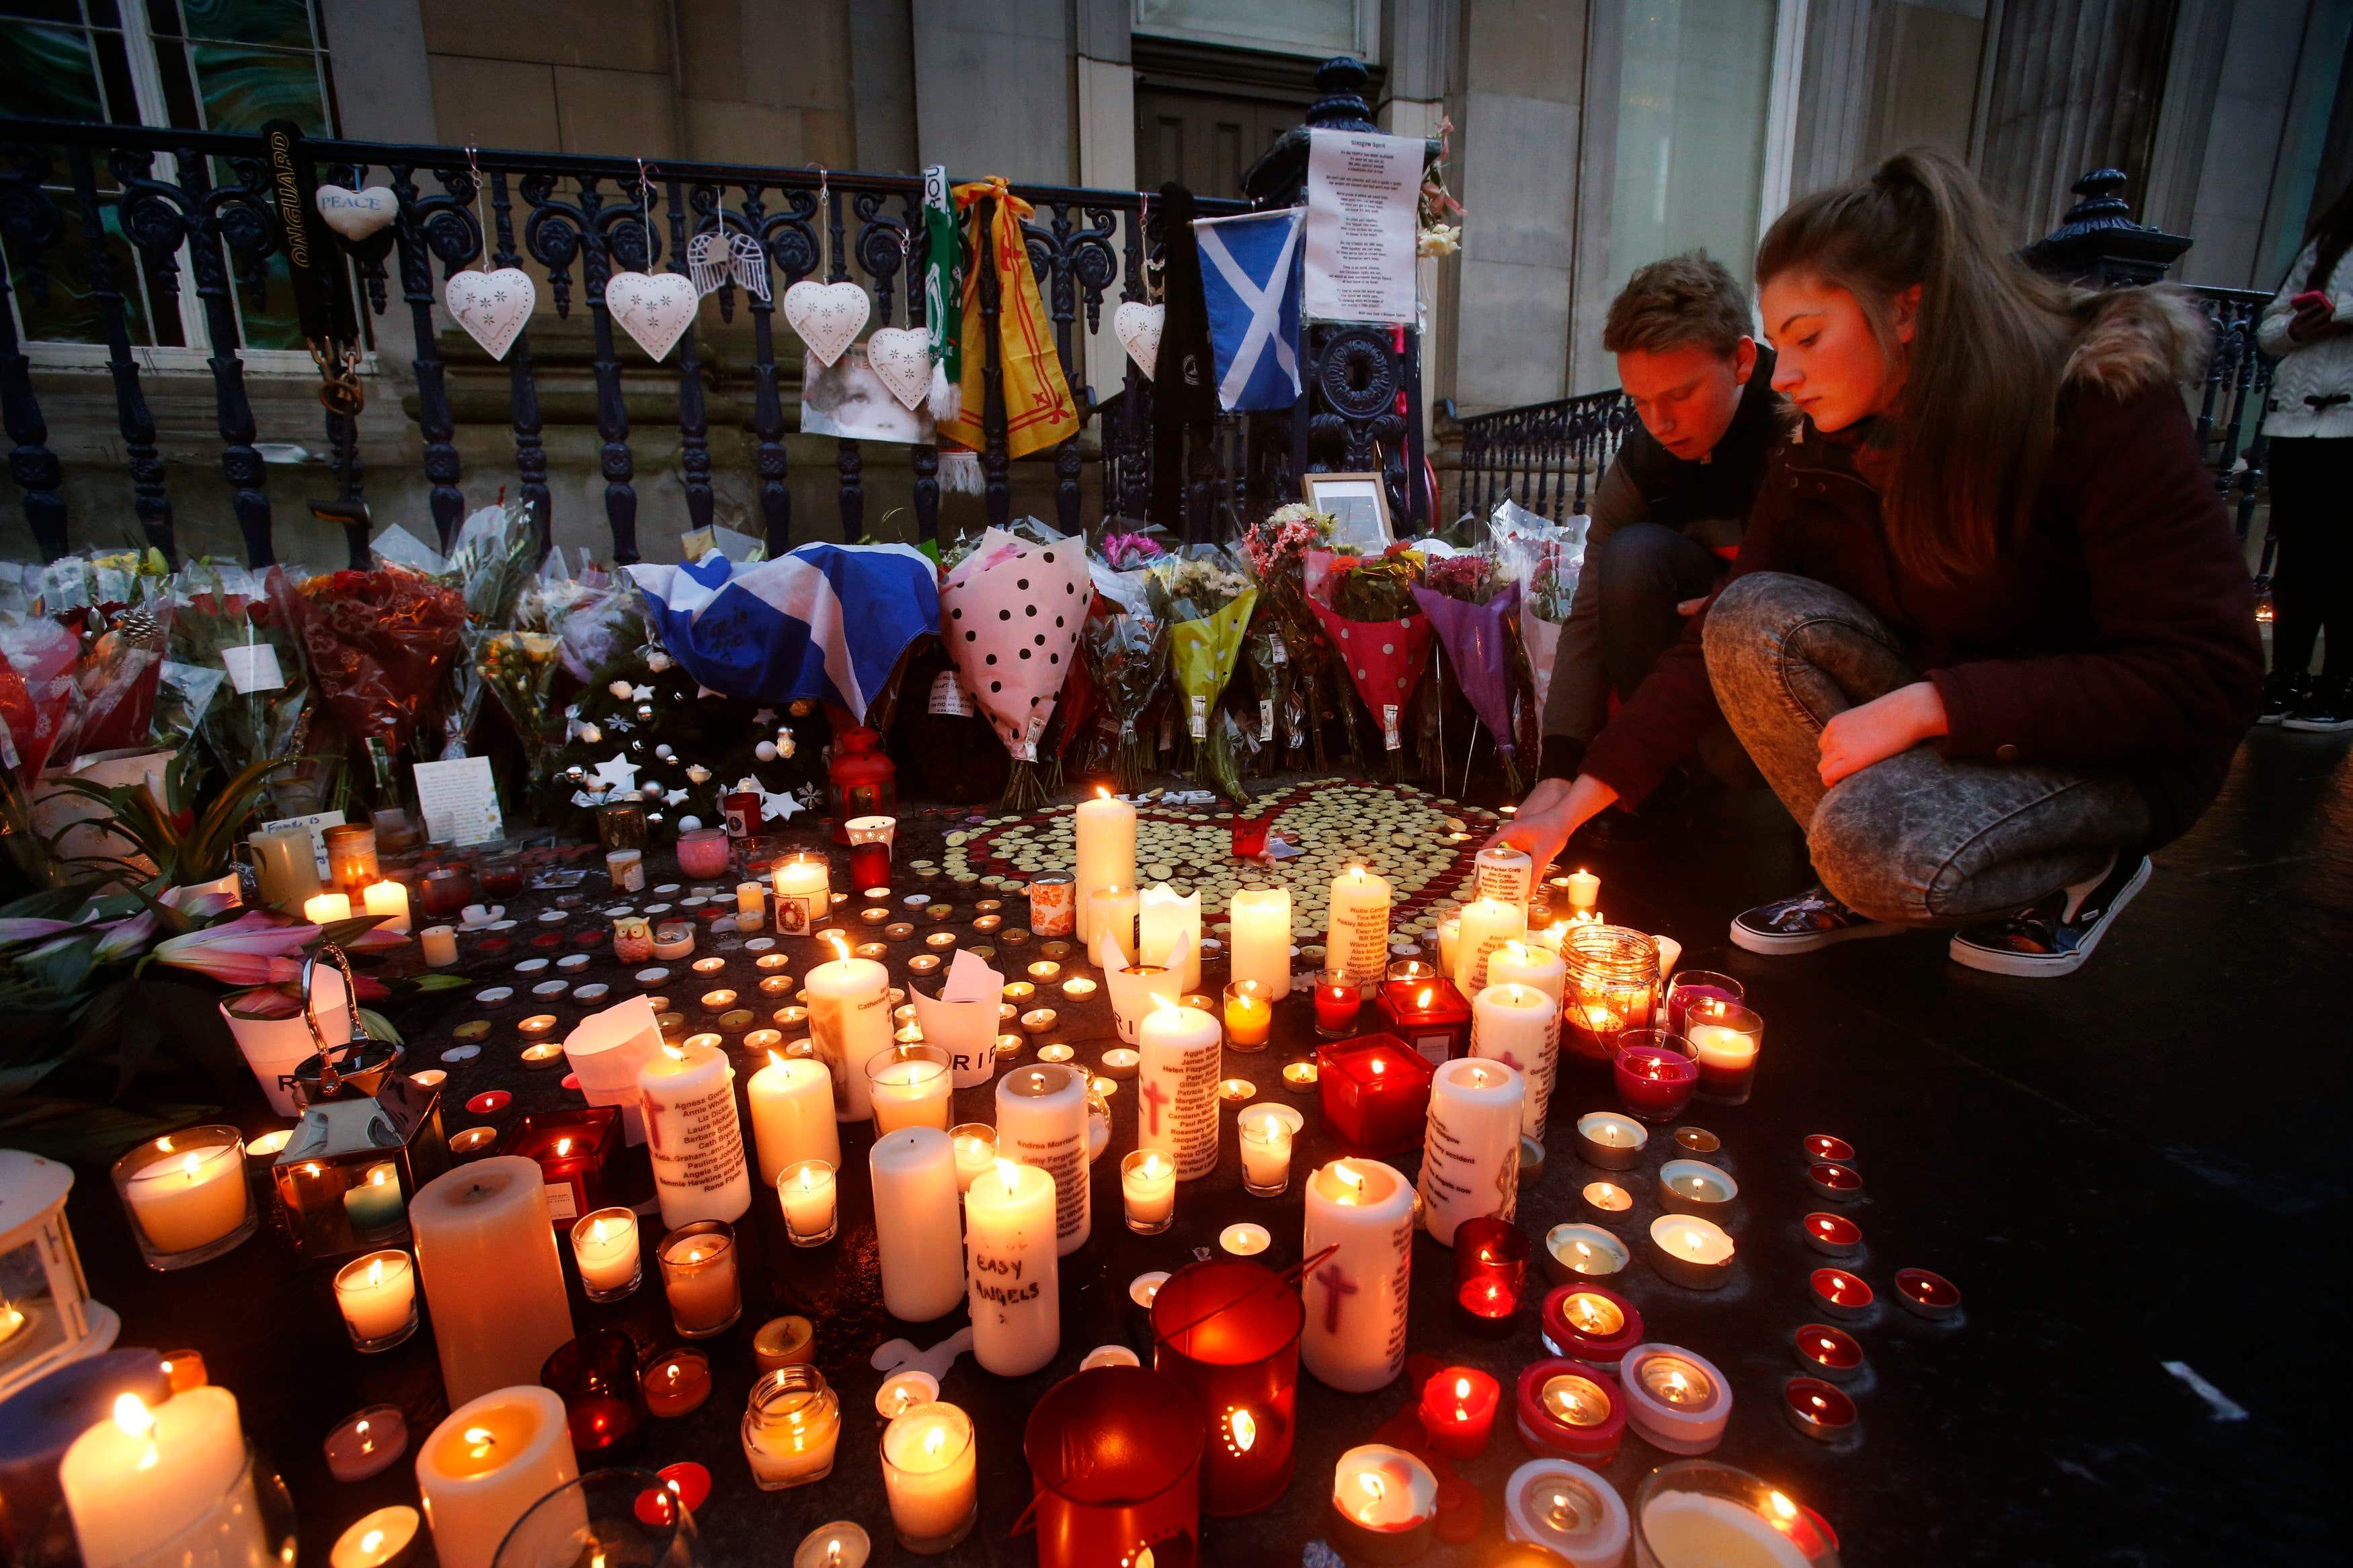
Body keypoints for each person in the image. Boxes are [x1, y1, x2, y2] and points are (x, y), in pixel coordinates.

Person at [1496, 149, 2262, 977]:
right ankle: (1861, 864)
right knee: (1747, 612)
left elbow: (2209, 675)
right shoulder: (1822, 446)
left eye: (1808, 337)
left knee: (1872, 850)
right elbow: (1711, 640)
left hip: (2106, 753)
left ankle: (2086, 861)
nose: (1784, 374)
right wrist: (1575, 797)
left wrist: (1936, 703)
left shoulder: (2089, 406)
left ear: (1906, 312)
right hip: (1965, 722)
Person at [1542, 254, 1789, 784]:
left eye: (1680, 394)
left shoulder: (1800, 421)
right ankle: (1659, 784)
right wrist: (1558, 771)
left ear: (1742, 361)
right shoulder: (1643, 463)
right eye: (1640, 401)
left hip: (1786, 654)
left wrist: (1740, 601)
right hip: (1686, 648)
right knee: (1630, 559)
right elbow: (1587, 615)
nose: (1660, 423)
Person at [2255, 180, 2353, 731]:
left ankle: (2340, 683)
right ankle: (2287, 675)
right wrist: (2297, 326)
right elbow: (2269, 331)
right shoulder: (2326, 243)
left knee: (2345, 561)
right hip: (2298, 421)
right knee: (2298, 557)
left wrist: (2344, 310)